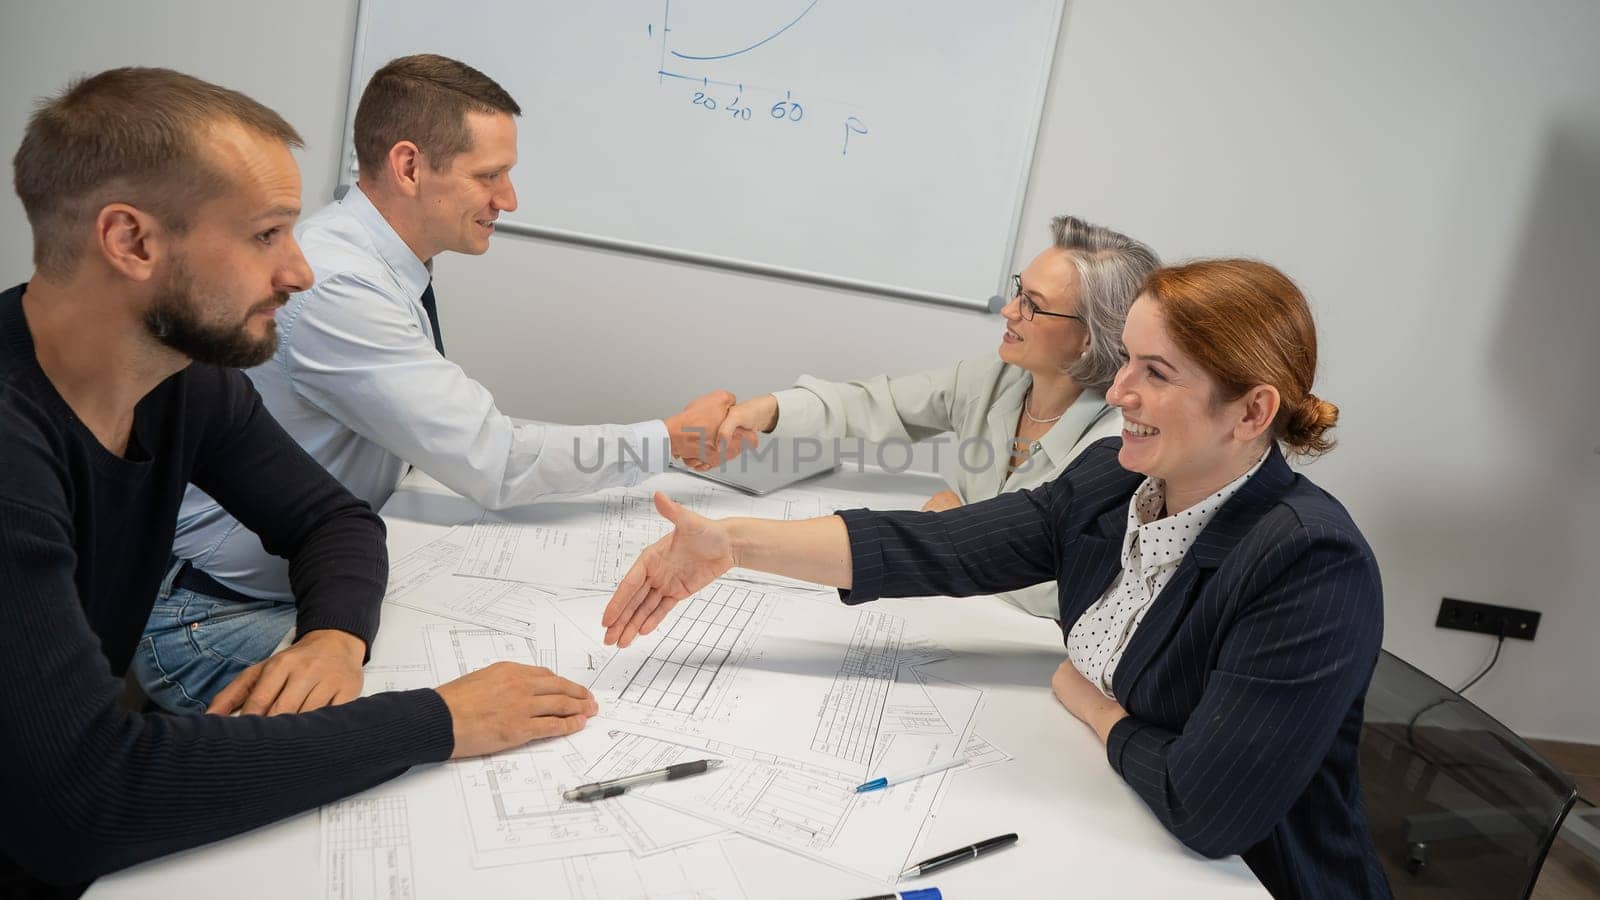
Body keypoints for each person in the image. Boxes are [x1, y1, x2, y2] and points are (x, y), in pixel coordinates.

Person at [601, 259, 1390, 898]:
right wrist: (732, 544)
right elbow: (942, 546)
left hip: (1251, 880)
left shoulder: (1310, 563)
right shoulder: (1117, 482)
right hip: (1114, 830)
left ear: (1251, 413)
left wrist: (1096, 708)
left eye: (1155, 372)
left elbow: (1207, 808)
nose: (1118, 394)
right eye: (1126, 366)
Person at [0, 68, 597, 897]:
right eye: (265, 236)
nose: (301, 272)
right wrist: (441, 720)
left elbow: (335, 521)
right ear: (131, 241)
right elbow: (86, 798)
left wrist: (334, 636)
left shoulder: (182, 379)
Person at [139, 54, 735, 715]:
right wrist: (671, 441)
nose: (507, 200)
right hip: (212, 617)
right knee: (469, 702)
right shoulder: (337, 283)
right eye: (490, 176)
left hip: (314, 579)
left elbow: (469, 448)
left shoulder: (382, 267)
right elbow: (495, 460)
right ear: (410, 167)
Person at [711, 215, 1158, 617]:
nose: (1008, 310)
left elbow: (1068, 585)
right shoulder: (1000, 376)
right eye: (1018, 289)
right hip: (961, 615)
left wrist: (965, 522)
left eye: (1032, 305)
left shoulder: (1117, 445)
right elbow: (881, 404)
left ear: (1090, 336)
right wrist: (768, 410)